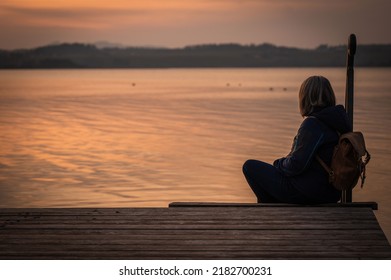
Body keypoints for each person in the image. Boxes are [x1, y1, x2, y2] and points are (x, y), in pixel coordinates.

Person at [242, 76, 351, 204]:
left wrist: (279, 163)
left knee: (250, 167)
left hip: (307, 192)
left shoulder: (313, 124)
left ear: (305, 98)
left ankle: (269, 210)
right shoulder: (338, 123)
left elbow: (296, 165)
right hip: (331, 193)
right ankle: (270, 207)